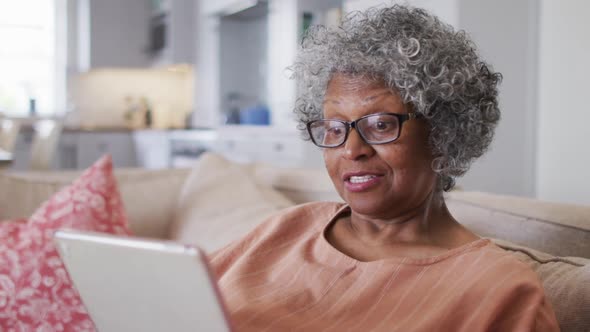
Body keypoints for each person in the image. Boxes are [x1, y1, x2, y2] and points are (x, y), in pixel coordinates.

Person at [210, 5, 559, 331]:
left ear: (444, 132)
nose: (351, 149)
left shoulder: (500, 290)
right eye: (335, 127)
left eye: (380, 125)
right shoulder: (288, 228)